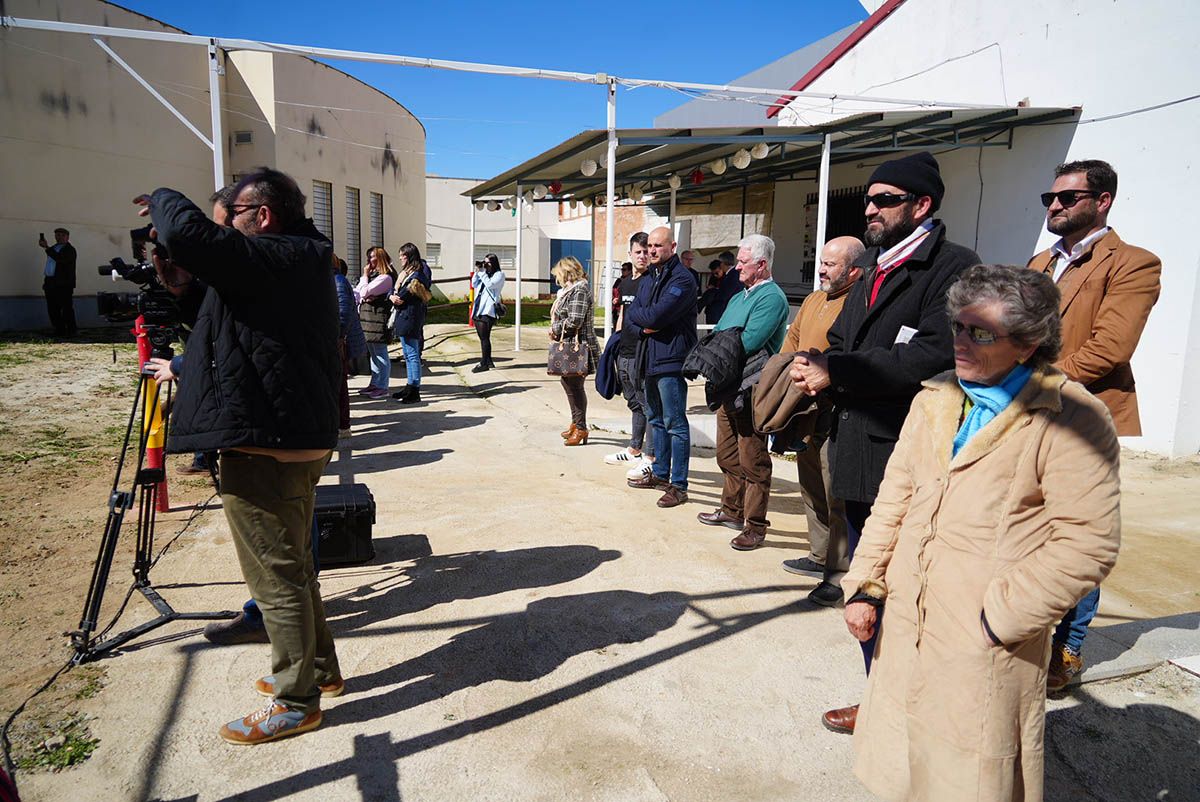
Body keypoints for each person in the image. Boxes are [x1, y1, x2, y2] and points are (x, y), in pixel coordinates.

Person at [841, 264, 1120, 802]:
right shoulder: (935, 398)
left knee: (968, 777)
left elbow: (1087, 541)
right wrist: (866, 584)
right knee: (900, 763)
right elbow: (894, 498)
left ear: (1029, 342)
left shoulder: (1072, 416)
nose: (961, 344)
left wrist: (1000, 618)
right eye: (958, 328)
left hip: (984, 635)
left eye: (981, 333)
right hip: (905, 614)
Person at [136, 166, 343, 745]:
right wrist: (182, 284)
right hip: (286, 436)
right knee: (295, 570)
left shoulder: (282, 254)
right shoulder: (293, 259)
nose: (224, 234)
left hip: (266, 441)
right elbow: (225, 321)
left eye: (231, 221)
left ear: (264, 215)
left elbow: (195, 238)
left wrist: (162, 195)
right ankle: (318, 673)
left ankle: (295, 700)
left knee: (275, 576)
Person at [790, 151, 979, 735]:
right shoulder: (872, 263)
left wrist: (837, 371)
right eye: (868, 198)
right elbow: (844, 335)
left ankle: (912, 707)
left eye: (885, 199)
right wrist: (827, 363)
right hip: (859, 440)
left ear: (922, 205)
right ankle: (883, 696)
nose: (870, 208)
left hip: (907, 448)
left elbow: (931, 353)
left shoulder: (952, 266)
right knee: (870, 589)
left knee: (910, 590)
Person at [1027, 159, 1161, 692]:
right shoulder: (1040, 262)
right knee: (1029, 529)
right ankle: (1028, 634)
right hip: (1024, 414)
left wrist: (1033, 385)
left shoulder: (1132, 263)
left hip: (1083, 415)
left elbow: (1110, 347)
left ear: (1102, 201)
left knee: (1079, 533)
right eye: (1049, 199)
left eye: (1067, 198)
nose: (1054, 207)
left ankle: (1069, 649)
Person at [779, 235, 864, 605]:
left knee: (836, 492)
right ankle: (818, 555)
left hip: (837, 407)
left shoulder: (859, 300)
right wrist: (790, 374)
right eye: (822, 261)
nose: (821, 268)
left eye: (830, 263)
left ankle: (840, 571)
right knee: (810, 481)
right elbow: (791, 341)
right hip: (804, 406)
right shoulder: (814, 298)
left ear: (854, 270)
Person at [696, 234, 789, 550]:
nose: (736, 268)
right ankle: (732, 510)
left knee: (754, 460)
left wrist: (718, 349)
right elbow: (724, 333)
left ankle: (755, 526)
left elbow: (747, 341)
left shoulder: (772, 298)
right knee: (727, 453)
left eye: (742, 262)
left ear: (762, 265)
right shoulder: (739, 297)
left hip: (752, 390)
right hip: (727, 385)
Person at [625, 226, 698, 508]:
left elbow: (656, 314)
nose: (652, 250)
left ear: (673, 246)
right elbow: (634, 316)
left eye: (658, 245)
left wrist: (647, 319)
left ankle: (678, 486)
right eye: (650, 246)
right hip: (649, 358)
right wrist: (647, 326)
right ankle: (659, 473)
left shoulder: (683, 279)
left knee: (675, 423)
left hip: (671, 360)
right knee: (655, 419)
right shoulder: (649, 278)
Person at [605, 232, 655, 477]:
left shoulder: (652, 281)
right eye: (639, 252)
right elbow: (623, 315)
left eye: (646, 251)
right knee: (634, 402)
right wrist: (614, 343)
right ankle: (634, 448)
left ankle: (651, 456)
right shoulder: (626, 283)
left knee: (648, 404)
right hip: (624, 350)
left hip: (642, 352)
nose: (643, 256)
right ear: (630, 254)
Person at [549, 256, 599, 446]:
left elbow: (575, 320)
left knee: (575, 386)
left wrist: (554, 329)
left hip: (579, 346)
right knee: (569, 383)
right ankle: (576, 423)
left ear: (567, 272)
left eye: (559, 275)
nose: (558, 279)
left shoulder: (579, 290)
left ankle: (581, 427)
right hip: (570, 344)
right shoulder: (570, 291)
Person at [389, 242, 432, 403]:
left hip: (410, 319)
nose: (400, 258)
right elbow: (395, 296)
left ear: (409, 257)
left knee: (412, 354)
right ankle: (409, 385)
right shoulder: (409, 274)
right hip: (405, 318)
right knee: (407, 354)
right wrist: (393, 294)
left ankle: (415, 390)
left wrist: (395, 290)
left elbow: (400, 297)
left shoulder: (416, 276)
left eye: (402, 256)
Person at [355, 246, 395, 399]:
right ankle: (375, 383)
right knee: (373, 353)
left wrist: (365, 278)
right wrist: (365, 290)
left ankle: (383, 386)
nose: (369, 260)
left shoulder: (385, 277)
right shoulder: (373, 276)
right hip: (369, 321)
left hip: (378, 320)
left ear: (380, 258)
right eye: (369, 256)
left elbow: (363, 292)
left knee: (380, 353)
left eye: (372, 256)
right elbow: (358, 293)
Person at [335, 256, 367, 434]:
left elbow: (343, 313)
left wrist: (338, 336)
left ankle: (343, 425)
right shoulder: (333, 280)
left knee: (340, 385)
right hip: (336, 339)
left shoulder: (337, 281)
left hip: (338, 341)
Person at [39, 227, 77, 338]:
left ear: (67, 237)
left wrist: (46, 247)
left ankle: (71, 330)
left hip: (64, 284)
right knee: (52, 308)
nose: (59, 237)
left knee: (66, 308)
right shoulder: (54, 248)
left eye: (61, 235)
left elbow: (61, 259)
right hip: (51, 282)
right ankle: (59, 329)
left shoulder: (70, 250)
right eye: (57, 235)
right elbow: (52, 263)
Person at [470, 252, 505, 373]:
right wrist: (477, 272)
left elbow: (490, 285)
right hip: (479, 307)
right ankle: (489, 360)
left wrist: (482, 273)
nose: (486, 265)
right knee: (483, 337)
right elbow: (474, 284)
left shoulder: (499, 275)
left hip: (488, 310)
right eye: (485, 263)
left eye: (489, 263)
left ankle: (484, 363)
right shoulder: (484, 274)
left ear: (494, 264)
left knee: (484, 338)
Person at [704, 251, 741, 325]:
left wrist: (714, 292)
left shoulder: (732, 275)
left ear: (723, 263)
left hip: (727, 311)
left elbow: (725, 295)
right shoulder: (732, 274)